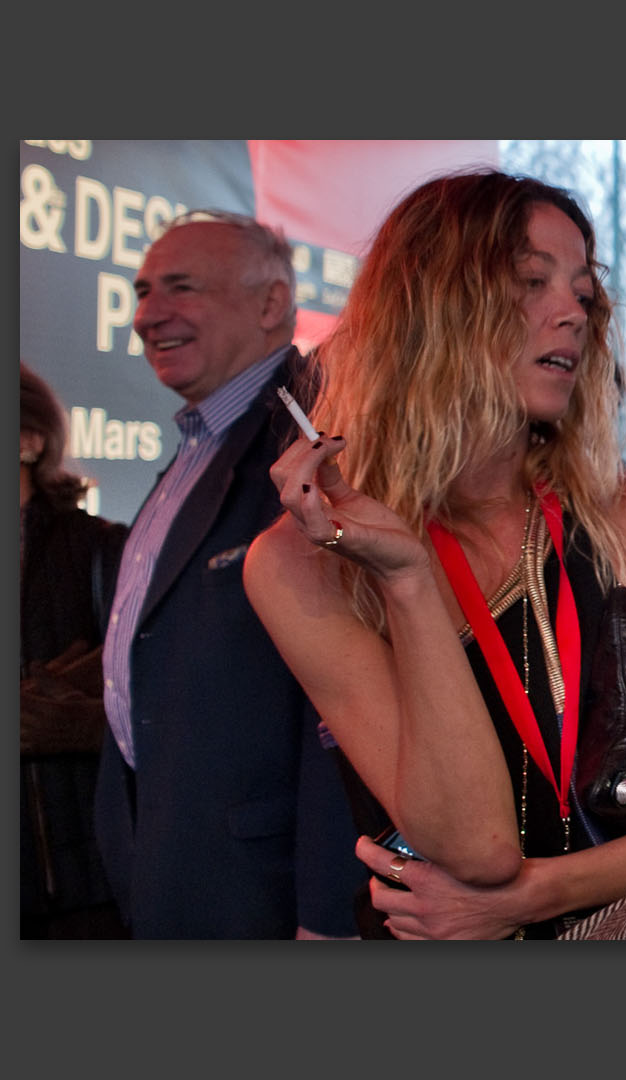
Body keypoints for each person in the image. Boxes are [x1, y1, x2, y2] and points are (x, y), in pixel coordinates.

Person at [244, 170, 626, 939]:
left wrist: (533, 897)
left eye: (582, 291)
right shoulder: (302, 563)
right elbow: (477, 848)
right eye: (533, 281)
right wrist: (406, 579)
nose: (575, 312)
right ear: (432, 309)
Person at [94, 211, 363, 938]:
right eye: (143, 292)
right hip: (168, 872)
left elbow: (341, 705)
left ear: (272, 304)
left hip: (266, 895)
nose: (148, 316)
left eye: (180, 289)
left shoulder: (313, 439)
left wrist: (330, 915)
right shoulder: (195, 448)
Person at [20, 363, 130, 938]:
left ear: (30, 441)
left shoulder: (104, 551)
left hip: (85, 894)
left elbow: (172, 705)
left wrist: (88, 724)